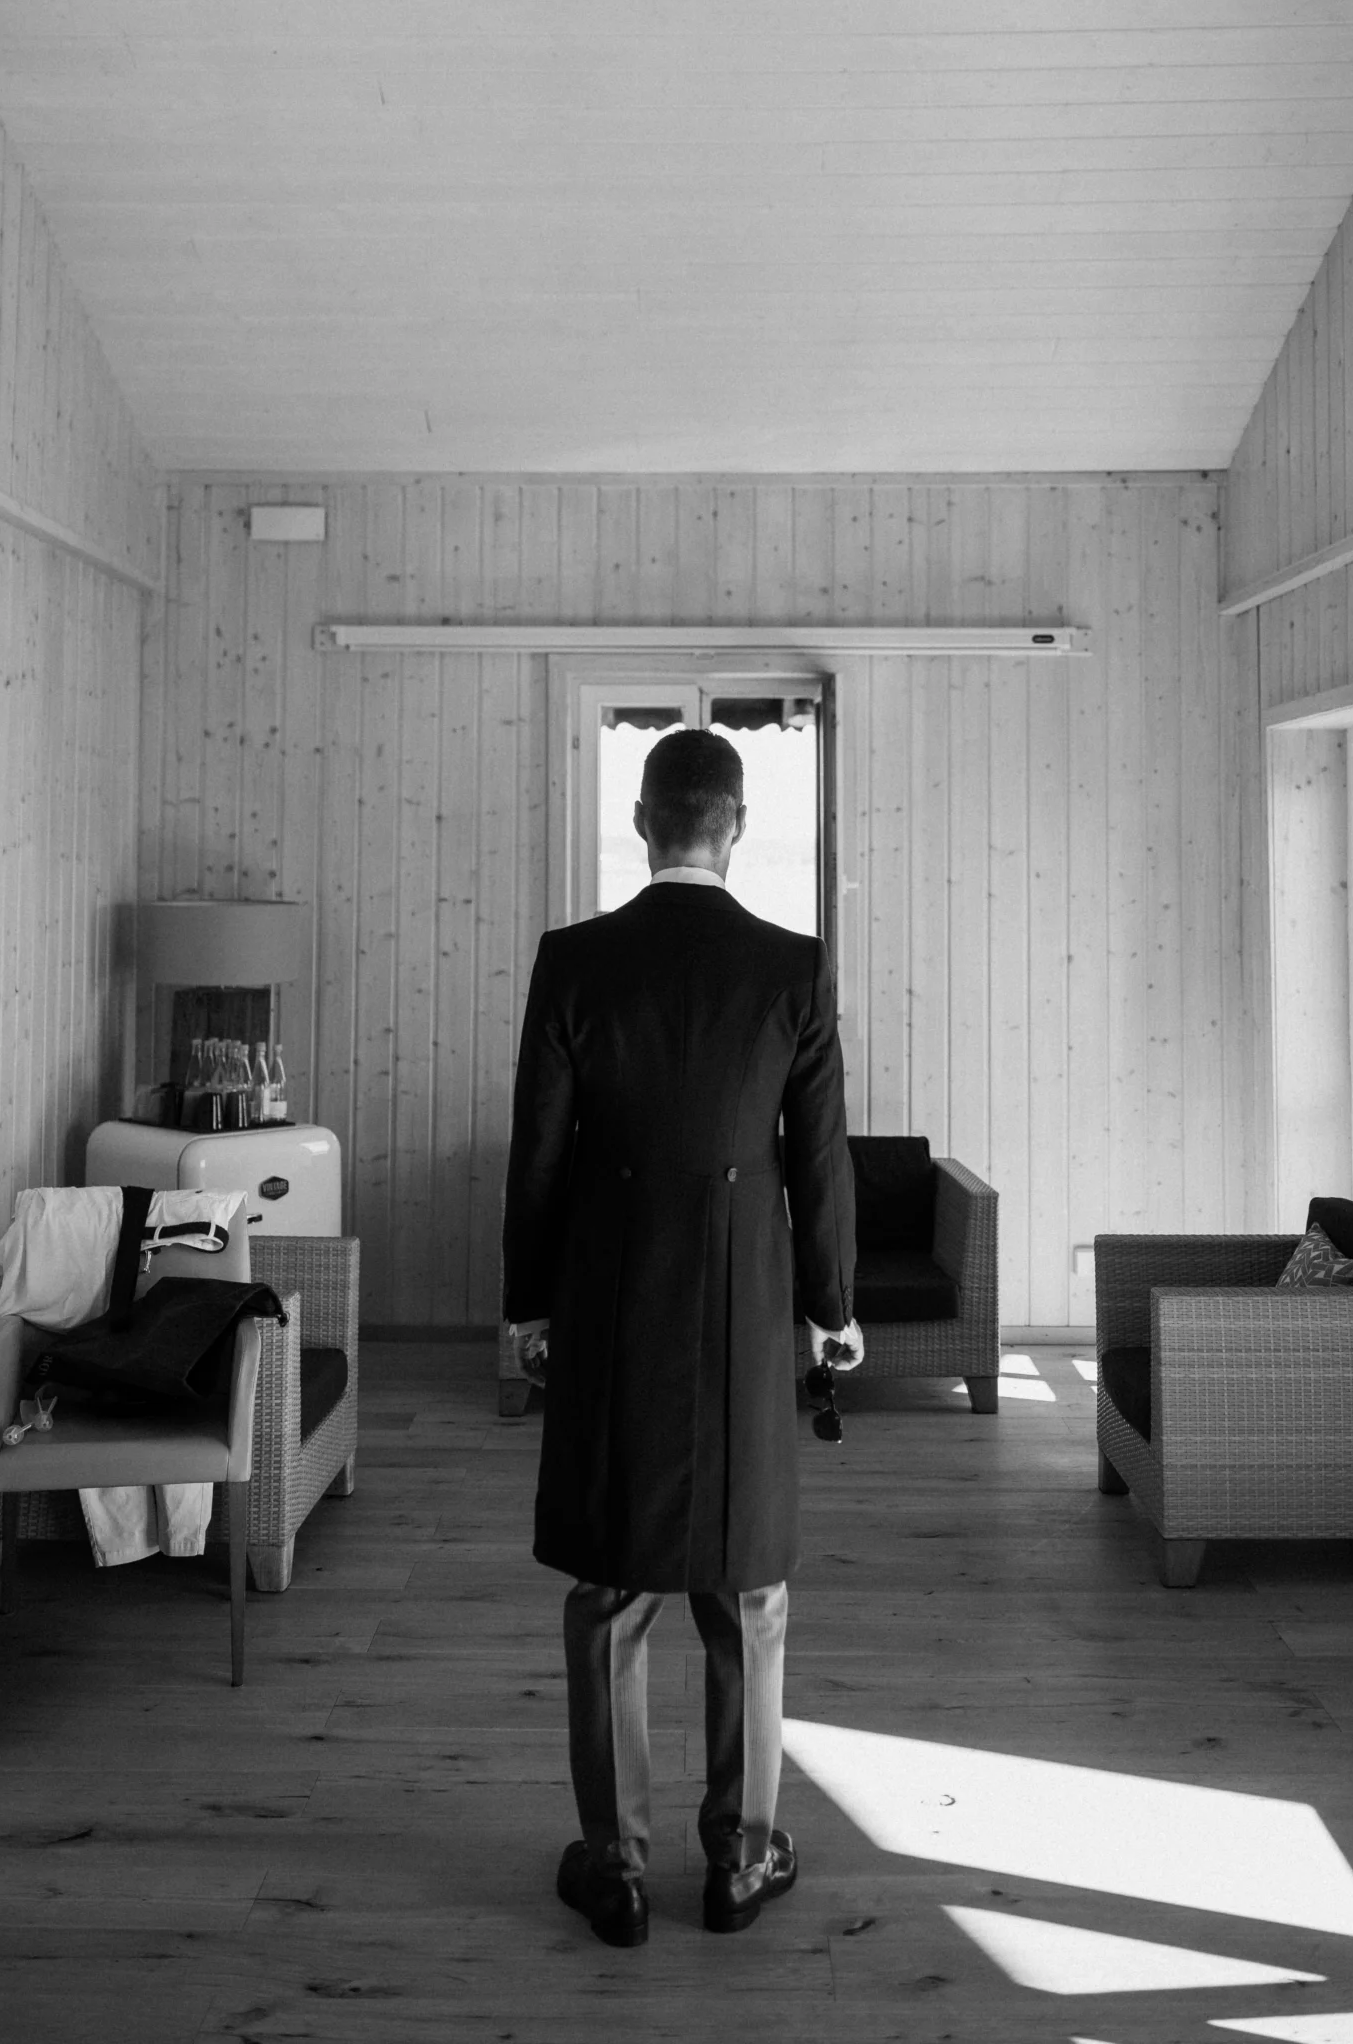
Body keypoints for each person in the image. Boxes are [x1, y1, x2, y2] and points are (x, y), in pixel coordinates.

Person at [501, 726, 863, 1947]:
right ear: (736, 825)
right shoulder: (794, 968)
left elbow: (537, 1153)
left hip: (609, 1295)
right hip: (747, 1302)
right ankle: (745, 1857)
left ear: (645, 822)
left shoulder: (573, 960)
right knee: (747, 1589)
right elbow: (817, 1161)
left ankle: (616, 1867)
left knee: (612, 1589)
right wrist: (834, 1307)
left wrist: (529, 1305)